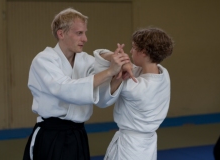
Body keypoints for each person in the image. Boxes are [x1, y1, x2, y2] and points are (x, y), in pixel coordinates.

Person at [23, 8, 131, 160]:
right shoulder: (44, 60)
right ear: (61, 34)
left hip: (78, 135)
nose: (85, 39)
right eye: (79, 33)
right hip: (51, 136)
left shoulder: (85, 60)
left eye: (85, 33)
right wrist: (108, 72)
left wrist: (118, 74)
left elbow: (102, 97)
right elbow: (65, 89)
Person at [93, 27, 174, 160]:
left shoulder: (133, 85)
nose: (130, 52)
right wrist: (118, 58)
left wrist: (118, 71)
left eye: (133, 48)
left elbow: (102, 102)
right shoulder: (163, 73)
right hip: (148, 143)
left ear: (144, 52)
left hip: (129, 147)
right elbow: (101, 54)